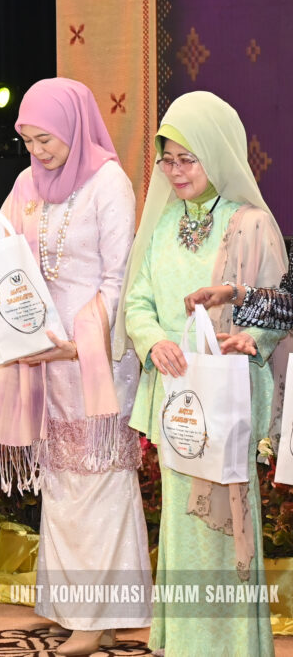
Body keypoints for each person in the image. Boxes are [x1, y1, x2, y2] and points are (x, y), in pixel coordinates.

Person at [0, 78, 153, 651]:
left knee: (100, 483)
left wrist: (80, 342)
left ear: (73, 126)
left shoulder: (109, 184)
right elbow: (10, 252)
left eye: (45, 139)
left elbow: (118, 278)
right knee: (61, 483)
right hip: (43, 356)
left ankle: (100, 616)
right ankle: (67, 604)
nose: (37, 151)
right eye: (27, 141)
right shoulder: (27, 183)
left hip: (93, 358)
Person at [122, 91, 286, 657]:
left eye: (187, 159)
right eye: (167, 160)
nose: (175, 171)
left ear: (216, 153)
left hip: (227, 403)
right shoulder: (164, 221)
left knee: (224, 529)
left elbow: (278, 309)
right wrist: (155, 342)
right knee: (181, 529)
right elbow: (137, 301)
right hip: (179, 405)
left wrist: (252, 339)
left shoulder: (252, 225)